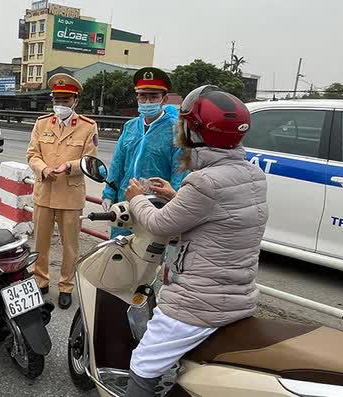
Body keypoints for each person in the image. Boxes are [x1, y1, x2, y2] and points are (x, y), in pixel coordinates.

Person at [122, 86, 268, 397]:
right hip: (237, 295)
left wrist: (137, 200)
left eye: (185, 124)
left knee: (143, 364)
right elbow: (218, 215)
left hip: (197, 302)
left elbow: (160, 224)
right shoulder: (252, 174)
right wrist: (175, 197)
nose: (180, 130)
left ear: (197, 132)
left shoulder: (203, 182)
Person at [27, 73, 98, 309]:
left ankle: (66, 286)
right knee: (40, 243)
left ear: (75, 101)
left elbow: (90, 161)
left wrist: (70, 166)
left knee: (70, 246)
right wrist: (43, 168)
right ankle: (41, 280)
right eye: (57, 99)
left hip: (70, 195)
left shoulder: (88, 127)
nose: (61, 105)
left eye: (66, 100)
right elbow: (32, 154)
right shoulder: (42, 123)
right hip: (44, 192)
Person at [102, 67, 187, 238]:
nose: (147, 101)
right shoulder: (130, 127)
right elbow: (118, 163)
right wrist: (109, 192)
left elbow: (180, 170)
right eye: (143, 96)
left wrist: (174, 199)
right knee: (119, 252)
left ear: (164, 99)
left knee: (150, 258)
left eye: (153, 96)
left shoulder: (176, 129)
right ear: (137, 98)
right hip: (126, 200)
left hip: (156, 205)